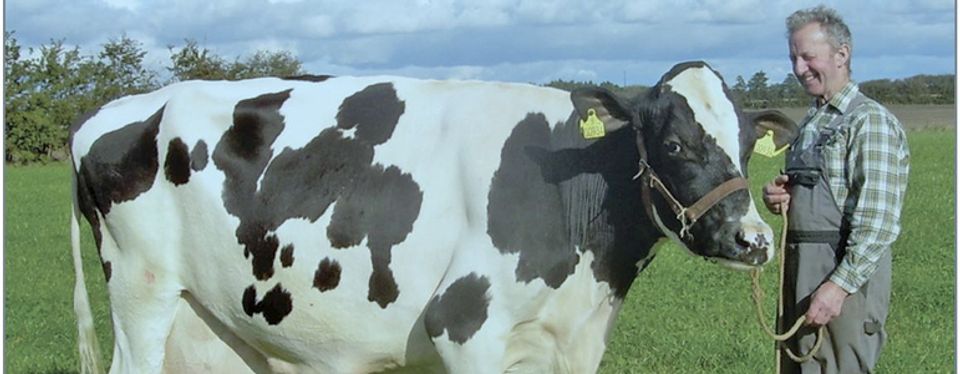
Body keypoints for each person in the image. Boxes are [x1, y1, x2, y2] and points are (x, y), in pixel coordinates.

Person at [761, 5, 910, 374]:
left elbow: (877, 223)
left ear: (842, 54)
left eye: (808, 56)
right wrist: (781, 198)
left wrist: (838, 288)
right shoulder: (813, 121)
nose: (799, 68)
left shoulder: (868, 121)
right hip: (799, 273)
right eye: (794, 58)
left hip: (842, 278)